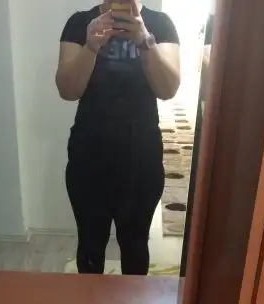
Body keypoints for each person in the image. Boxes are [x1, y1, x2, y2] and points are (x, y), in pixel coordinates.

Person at [56, 0, 180, 275]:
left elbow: (168, 89)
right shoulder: (79, 23)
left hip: (141, 154)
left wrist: (145, 41)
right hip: (89, 152)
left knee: (135, 246)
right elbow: (68, 90)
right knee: (90, 245)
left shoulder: (160, 25)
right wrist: (90, 47)